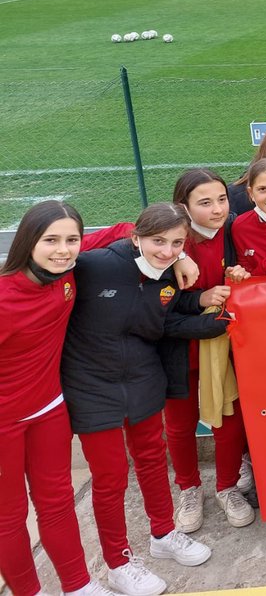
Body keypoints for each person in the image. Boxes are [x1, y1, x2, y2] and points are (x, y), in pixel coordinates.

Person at [65, 203, 225, 595]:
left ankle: (163, 534)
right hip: (91, 385)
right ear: (135, 238)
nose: (167, 251)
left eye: (177, 244)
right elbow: (61, 252)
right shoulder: (95, 264)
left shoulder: (171, 274)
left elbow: (166, 317)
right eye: (158, 241)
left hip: (142, 378)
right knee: (111, 477)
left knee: (152, 460)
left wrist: (208, 311)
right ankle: (119, 563)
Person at [0, 202, 126, 596]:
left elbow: (123, 229)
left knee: (57, 504)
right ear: (28, 242)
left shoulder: (67, 275)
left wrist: (184, 257)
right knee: (9, 516)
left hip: (50, 411)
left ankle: (79, 586)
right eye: (51, 240)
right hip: (3, 423)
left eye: (72, 240)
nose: (63, 250)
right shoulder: (4, 298)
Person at [164, 171, 254, 537]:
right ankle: (188, 488)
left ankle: (227, 487)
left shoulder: (234, 230)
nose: (217, 209)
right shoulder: (169, 241)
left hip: (224, 345)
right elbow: (164, 302)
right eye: (205, 202)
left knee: (228, 416)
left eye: (221, 199)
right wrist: (197, 292)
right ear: (183, 207)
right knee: (180, 422)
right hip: (180, 348)